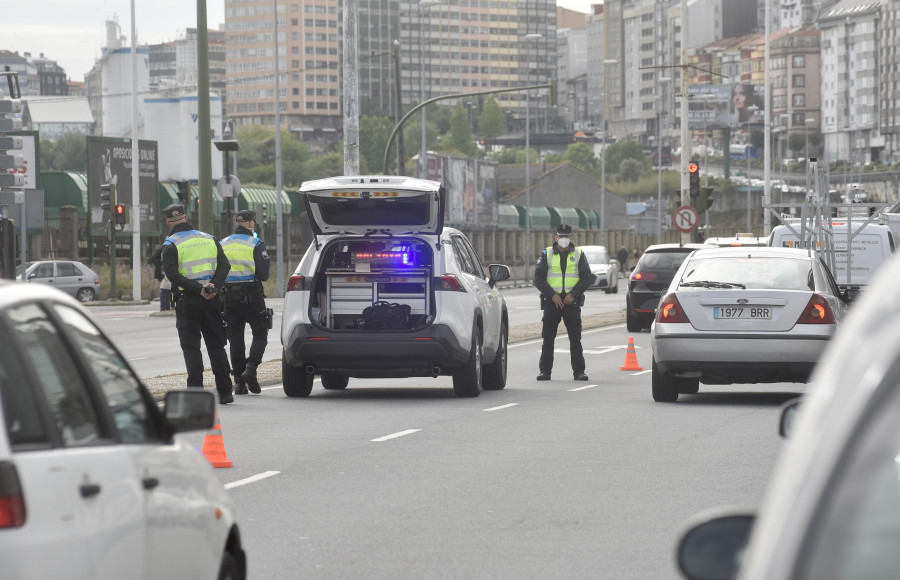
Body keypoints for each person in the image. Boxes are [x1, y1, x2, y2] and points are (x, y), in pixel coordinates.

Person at [160, 203, 235, 404]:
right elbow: (225, 265)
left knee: (191, 347)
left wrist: (196, 289)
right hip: (212, 299)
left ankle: (195, 392)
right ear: (185, 218)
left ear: (168, 222)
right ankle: (226, 392)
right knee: (216, 346)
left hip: (188, 301)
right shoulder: (209, 238)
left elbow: (173, 275)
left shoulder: (170, 244)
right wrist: (214, 286)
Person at [533, 224, 594, 381]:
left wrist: (573, 295)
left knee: (575, 340)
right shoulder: (546, 254)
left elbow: (587, 277)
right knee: (548, 339)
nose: (564, 239)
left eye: (566, 236)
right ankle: (545, 371)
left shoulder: (579, 254)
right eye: (561, 236)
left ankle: (579, 372)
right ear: (555, 238)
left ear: (571, 238)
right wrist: (552, 295)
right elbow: (538, 279)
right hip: (552, 303)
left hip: (570, 304)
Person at [220, 210, 271, 395]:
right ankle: (251, 369)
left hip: (228, 297)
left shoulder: (222, 243)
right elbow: (264, 275)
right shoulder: (256, 243)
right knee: (260, 334)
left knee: (235, 339)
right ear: (250, 223)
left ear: (236, 223)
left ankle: (239, 383)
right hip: (251, 295)